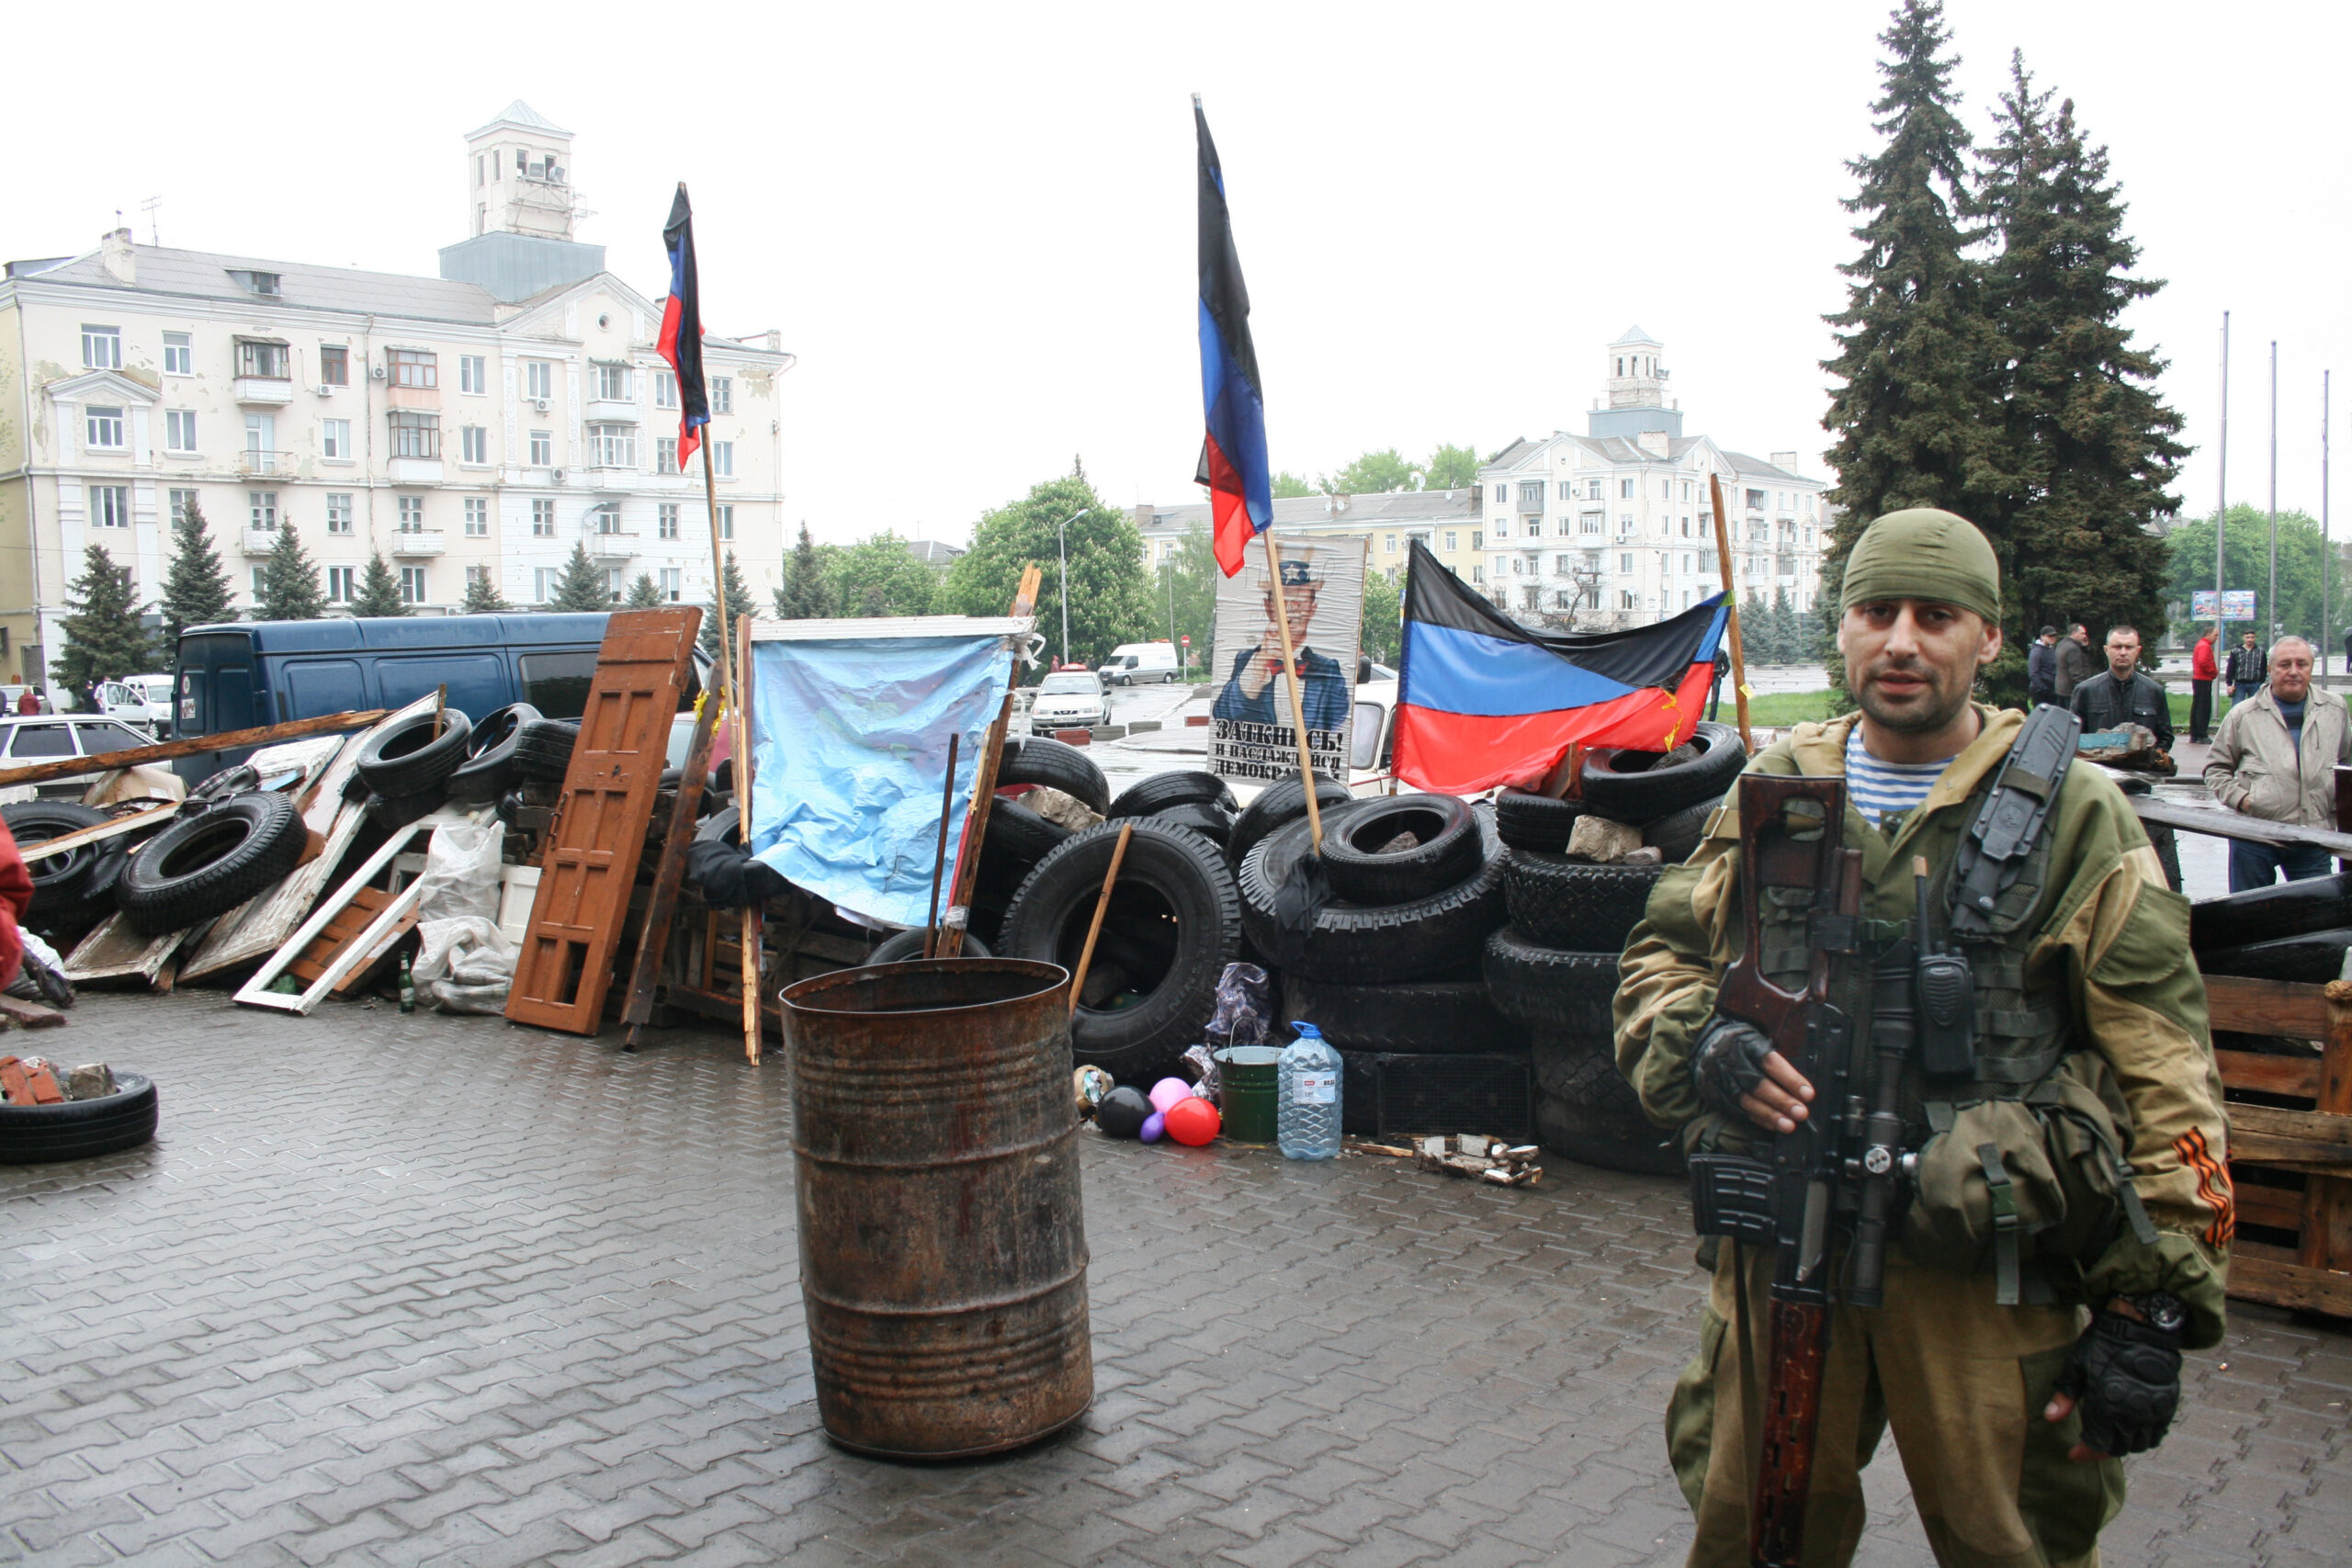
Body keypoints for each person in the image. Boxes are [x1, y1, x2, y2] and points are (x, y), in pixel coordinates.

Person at [1617, 508, 2230, 1568]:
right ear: (1844, 627)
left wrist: (2153, 1306)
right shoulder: (1775, 791)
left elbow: (2165, 1061)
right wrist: (1702, 1048)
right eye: (1876, 611)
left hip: (1985, 1262)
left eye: (1936, 615)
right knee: (1748, 1535)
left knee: (2012, 1543)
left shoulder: (2076, 812)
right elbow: (1658, 960)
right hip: (1784, 1242)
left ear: (1987, 639)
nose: (1901, 640)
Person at [2202, 635, 2351, 891]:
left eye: (2301, 664)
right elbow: (2216, 768)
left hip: (2313, 834)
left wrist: (2337, 808)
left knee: (2315, 915)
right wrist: (2243, 799)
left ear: (2311, 668)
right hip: (2254, 834)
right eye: (2284, 665)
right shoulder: (2244, 714)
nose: (2293, 671)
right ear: (2270, 669)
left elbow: (2347, 765)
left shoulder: (2334, 709)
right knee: (2249, 916)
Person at [2072, 624, 2182, 889]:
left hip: (2141, 793)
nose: (2123, 652)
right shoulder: (2086, 691)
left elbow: (2165, 737)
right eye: (2117, 647)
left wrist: (2149, 757)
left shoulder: (2153, 691)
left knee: (2148, 869)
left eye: (2128, 647)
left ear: (2138, 651)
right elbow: (2072, 740)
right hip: (2099, 793)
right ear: (2106, 650)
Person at [1211, 555, 1350, 731]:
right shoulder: (1247, 661)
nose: (1290, 611)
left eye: (1299, 603)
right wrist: (1258, 668)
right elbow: (1222, 716)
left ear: (1312, 609)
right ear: (1268, 607)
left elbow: (1341, 727)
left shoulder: (1328, 670)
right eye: (1281, 602)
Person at [2052, 621, 2097, 700]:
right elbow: (2077, 673)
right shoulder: (2073, 649)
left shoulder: (2061, 644)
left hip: (2060, 688)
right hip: (2070, 691)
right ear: (2074, 633)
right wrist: (2084, 691)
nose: (2085, 636)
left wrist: (2084, 647)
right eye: (2082, 633)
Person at [2188, 626, 2218, 744]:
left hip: (2198, 678)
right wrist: (2213, 672)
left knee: (2197, 706)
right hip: (2203, 679)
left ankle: (2195, 734)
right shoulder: (2205, 646)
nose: (2216, 638)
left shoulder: (2201, 644)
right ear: (2208, 634)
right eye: (2215, 635)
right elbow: (2203, 661)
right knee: (2203, 708)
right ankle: (2201, 734)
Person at [2224, 629, 2264, 702]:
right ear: (2243, 637)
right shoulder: (2236, 651)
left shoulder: (2260, 651)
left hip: (2255, 683)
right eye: (2247, 637)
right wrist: (2229, 684)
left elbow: (2263, 668)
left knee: (2254, 706)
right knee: (2237, 705)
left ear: (2255, 638)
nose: (2250, 639)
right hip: (2240, 684)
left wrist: (2261, 681)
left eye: (2252, 637)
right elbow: (2231, 667)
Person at [2026, 626, 2060, 708]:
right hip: (2040, 692)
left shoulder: (2051, 649)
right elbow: (2033, 673)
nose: (2052, 638)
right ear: (2042, 637)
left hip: (2052, 690)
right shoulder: (2036, 651)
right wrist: (2043, 689)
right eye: (2049, 636)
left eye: (2054, 636)